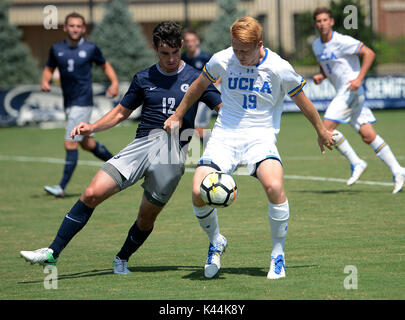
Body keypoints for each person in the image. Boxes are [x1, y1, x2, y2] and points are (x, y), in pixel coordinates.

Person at [20, 21, 222, 274]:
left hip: (172, 154)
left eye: (175, 53)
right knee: (92, 193)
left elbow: (222, 109)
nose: (170, 59)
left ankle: (122, 258)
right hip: (140, 146)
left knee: (146, 218)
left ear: (181, 46)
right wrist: (91, 127)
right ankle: (52, 252)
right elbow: (119, 114)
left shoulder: (197, 78)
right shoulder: (144, 78)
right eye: (164, 53)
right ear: (155, 49)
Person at [164, 16, 336, 280]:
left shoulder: (279, 68)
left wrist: (321, 130)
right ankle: (215, 241)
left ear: (259, 44)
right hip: (224, 136)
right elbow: (198, 87)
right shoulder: (222, 59)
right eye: (235, 49)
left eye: (244, 51)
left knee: (275, 186)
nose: (239, 55)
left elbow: (303, 101)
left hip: (260, 138)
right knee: (198, 191)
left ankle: (278, 254)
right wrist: (177, 115)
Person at [312, 7, 405, 194]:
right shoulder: (316, 45)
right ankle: (399, 171)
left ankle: (356, 162)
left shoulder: (342, 41)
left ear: (331, 22)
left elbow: (369, 53)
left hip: (351, 90)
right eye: (318, 21)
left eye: (325, 20)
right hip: (344, 93)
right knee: (368, 135)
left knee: (325, 130)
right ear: (316, 23)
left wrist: (359, 78)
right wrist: (322, 75)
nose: (322, 24)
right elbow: (329, 66)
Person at [41, 12, 119, 198]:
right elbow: (49, 68)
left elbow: (105, 65)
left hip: (82, 103)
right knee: (87, 143)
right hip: (69, 103)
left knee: (70, 142)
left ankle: (61, 187)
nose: (75, 29)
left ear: (83, 29)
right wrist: (45, 81)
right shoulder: (57, 48)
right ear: (65, 28)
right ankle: (121, 169)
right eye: (72, 26)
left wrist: (114, 82)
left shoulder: (91, 48)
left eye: (79, 26)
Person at [181, 29, 216, 149]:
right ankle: (212, 152)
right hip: (192, 97)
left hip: (205, 97)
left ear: (197, 41)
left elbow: (218, 74)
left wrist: (211, 88)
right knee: (194, 128)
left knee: (199, 128)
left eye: (192, 40)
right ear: (184, 43)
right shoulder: (182, 58)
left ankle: (214, 152)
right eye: (187, 41)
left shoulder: (206, 57)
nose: (190, 43)